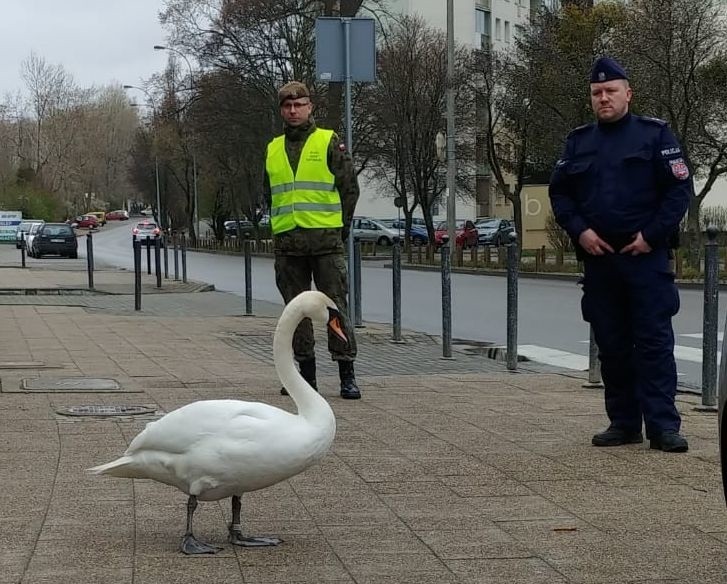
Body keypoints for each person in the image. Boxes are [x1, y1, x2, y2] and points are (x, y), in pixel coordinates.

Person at [549, 57, 692, 452]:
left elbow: (679, 191)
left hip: (644, 259)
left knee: (653, 344)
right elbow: (560, 194)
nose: (603, 98)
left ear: (627, 93)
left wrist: (651, 235)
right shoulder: (578, 142)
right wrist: (581, 232)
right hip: (600, 260)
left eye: (611, 91)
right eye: (597, 93)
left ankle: (663, 427)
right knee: (611, 345)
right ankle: (624, 422)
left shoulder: (655, 136)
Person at [263, 81, 361, 400]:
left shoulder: (328, 141)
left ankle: (347, 374)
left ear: (310, 107)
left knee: (335, 308)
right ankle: (306, 378)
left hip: (326, 244)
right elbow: (270, 194)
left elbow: (350, 189)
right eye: (287, 106)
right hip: (289, 246)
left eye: (299, 105)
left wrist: (339, 231)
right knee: (296, 314)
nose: (293, 111)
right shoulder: (273, 148)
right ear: (281, 110)